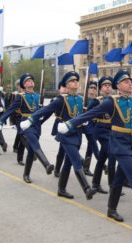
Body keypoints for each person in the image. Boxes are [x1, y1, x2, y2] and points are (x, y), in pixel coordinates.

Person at [58, 70, 132, 225]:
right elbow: (89, 114)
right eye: (126, 81)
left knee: (120, 178)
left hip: (131, 144)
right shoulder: (111, 101)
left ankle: (111, 209)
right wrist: (69, 124)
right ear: (119, 85)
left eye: (130, 81)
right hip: (118, 144)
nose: (130, 83)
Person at [21, 71, 96, 200]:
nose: (75, 83)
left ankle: (61, 189)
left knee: (68, 163)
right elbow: (45, 110)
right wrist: (31, 120)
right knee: (76, 160)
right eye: (72, 81)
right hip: (65, 135)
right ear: (66, 85)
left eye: (76, 81)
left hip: (77, 134)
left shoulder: (80, 99)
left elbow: (87, 114)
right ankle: (86, 188)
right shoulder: (62, 99)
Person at [0, 73, 54, 183]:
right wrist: (0, 122)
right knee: (35, 143)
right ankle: (47, 164)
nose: (30, 81)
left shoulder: (37, 96)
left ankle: (26, 174)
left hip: (36, 125)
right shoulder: (20, 97)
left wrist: (51, 106)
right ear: (24, 85)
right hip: (25, 124)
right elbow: (10, 110)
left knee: (31, 151)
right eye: (27, 81)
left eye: (31, 80)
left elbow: (43, 111)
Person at [81, 80, 100, 176]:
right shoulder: (83, 99)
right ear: (87, 89)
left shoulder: (98, 100)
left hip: (93, 125)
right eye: (91, 88)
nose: (92, 90)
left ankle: (86, 168)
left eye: (95, 88)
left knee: (91, 146)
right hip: (82, 123)